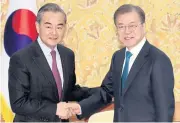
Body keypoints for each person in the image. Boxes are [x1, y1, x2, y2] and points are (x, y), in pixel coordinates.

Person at [68, 4, 175, 122]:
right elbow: (106, 92)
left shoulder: (158, 60)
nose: (127, 31)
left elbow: (164, 111)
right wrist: (81, 107)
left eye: (132, 26)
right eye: (121, 26)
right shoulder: (118, 57)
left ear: (143, 27)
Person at [8, 3, 90, 122]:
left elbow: (68, 91)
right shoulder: (21, 58)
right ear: (37, 27)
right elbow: (18, 103)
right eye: (48, 26)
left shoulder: (68, 55)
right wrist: (55, 109)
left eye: (59, 27)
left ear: (64, 29)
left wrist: (104, 91)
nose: (54, 32)